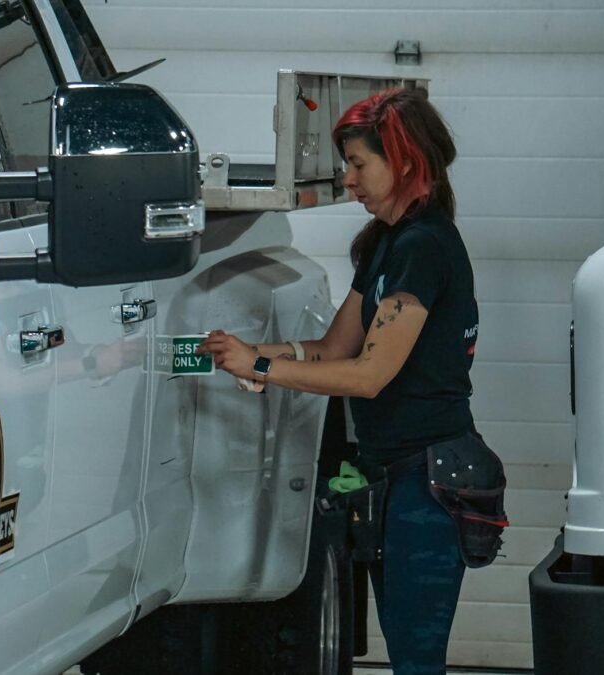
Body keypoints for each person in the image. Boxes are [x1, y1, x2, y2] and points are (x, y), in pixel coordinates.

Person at [198, 87, 479, 675]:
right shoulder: (383, 243)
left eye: (358, 165)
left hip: (427, 485)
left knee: (416, 661)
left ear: (403, 160)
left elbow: (370, 375)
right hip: (391, 478)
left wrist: (263, 368)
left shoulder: (425, 246)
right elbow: (332, 348)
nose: (349, 181)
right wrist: (237, 352)